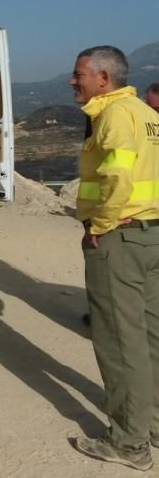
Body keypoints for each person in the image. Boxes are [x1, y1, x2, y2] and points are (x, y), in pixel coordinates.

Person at [67, 46, 159, 471]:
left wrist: (99, 226)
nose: (74, 81)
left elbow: (117, 178)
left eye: (79, 74)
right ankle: (151, 424)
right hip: (151, 236)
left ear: (104, 78)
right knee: (149, 336)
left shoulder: (116, 115)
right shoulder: (146, 113)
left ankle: (129, 443)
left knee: (121, 343)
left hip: (120, 238)